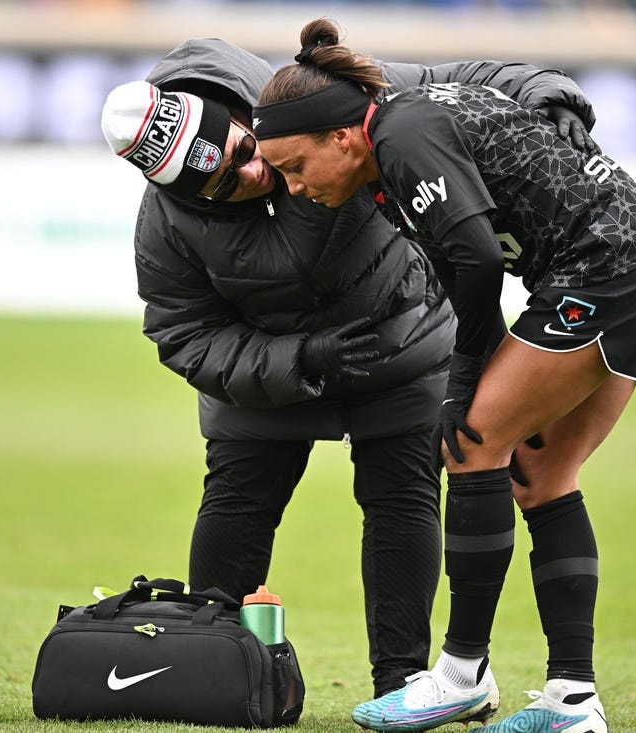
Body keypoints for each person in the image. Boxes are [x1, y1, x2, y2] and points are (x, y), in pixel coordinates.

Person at [99, 37, 600, 699]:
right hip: (268, 376)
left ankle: (403, 682)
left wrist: (547, 96)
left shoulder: (316, 100)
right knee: (236, 500)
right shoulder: (165, 223)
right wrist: (299, 359)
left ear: (243, 116)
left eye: (245, 151)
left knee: (403, 500)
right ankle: (211, 668)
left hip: (401, 345)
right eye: (219, 185)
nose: (250, 174)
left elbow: (457, 79)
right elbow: (184, 333)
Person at [252, 18, 636, 733]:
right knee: (543, 476)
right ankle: (572, 702)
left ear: (341, 137)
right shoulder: (393, 138)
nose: (295, 188)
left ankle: (461, 675)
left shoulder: (401, 136)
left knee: (472, 445)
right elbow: (472, 256)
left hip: (608, 268)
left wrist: (464, 379)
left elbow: (479, 260)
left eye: (296, 167)